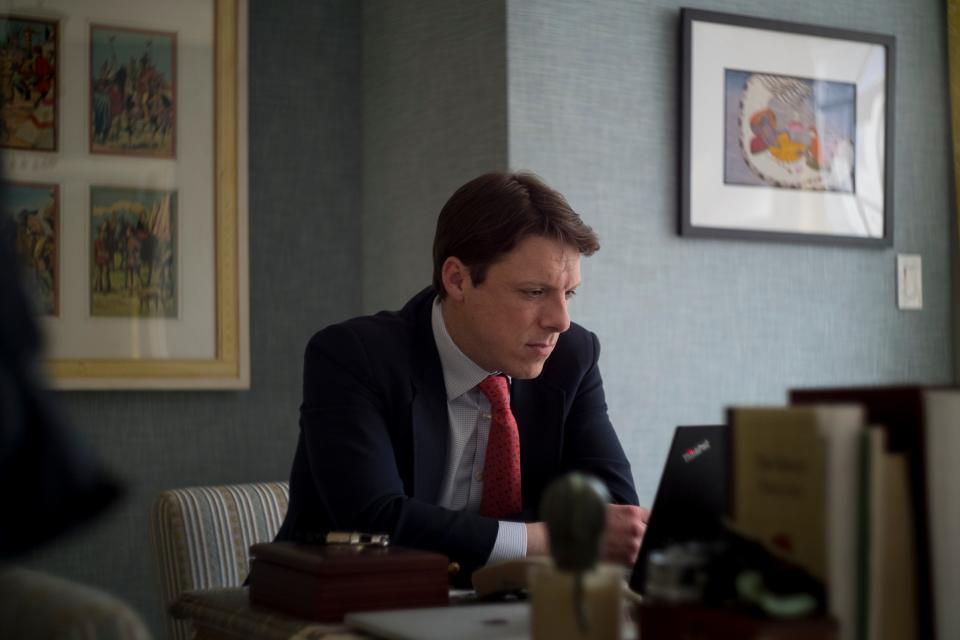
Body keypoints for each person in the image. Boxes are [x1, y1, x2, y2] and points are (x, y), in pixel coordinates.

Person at [274, 171, 648, 580]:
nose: (560, 321)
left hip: (499, 609)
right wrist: (554, 538)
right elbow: (375, 522)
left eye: (569, 293)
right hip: (339, 600)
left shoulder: (572, 355)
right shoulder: (354, 357)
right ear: (457, 279)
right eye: (533, 292)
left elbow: (612, 512)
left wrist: (449, 534)